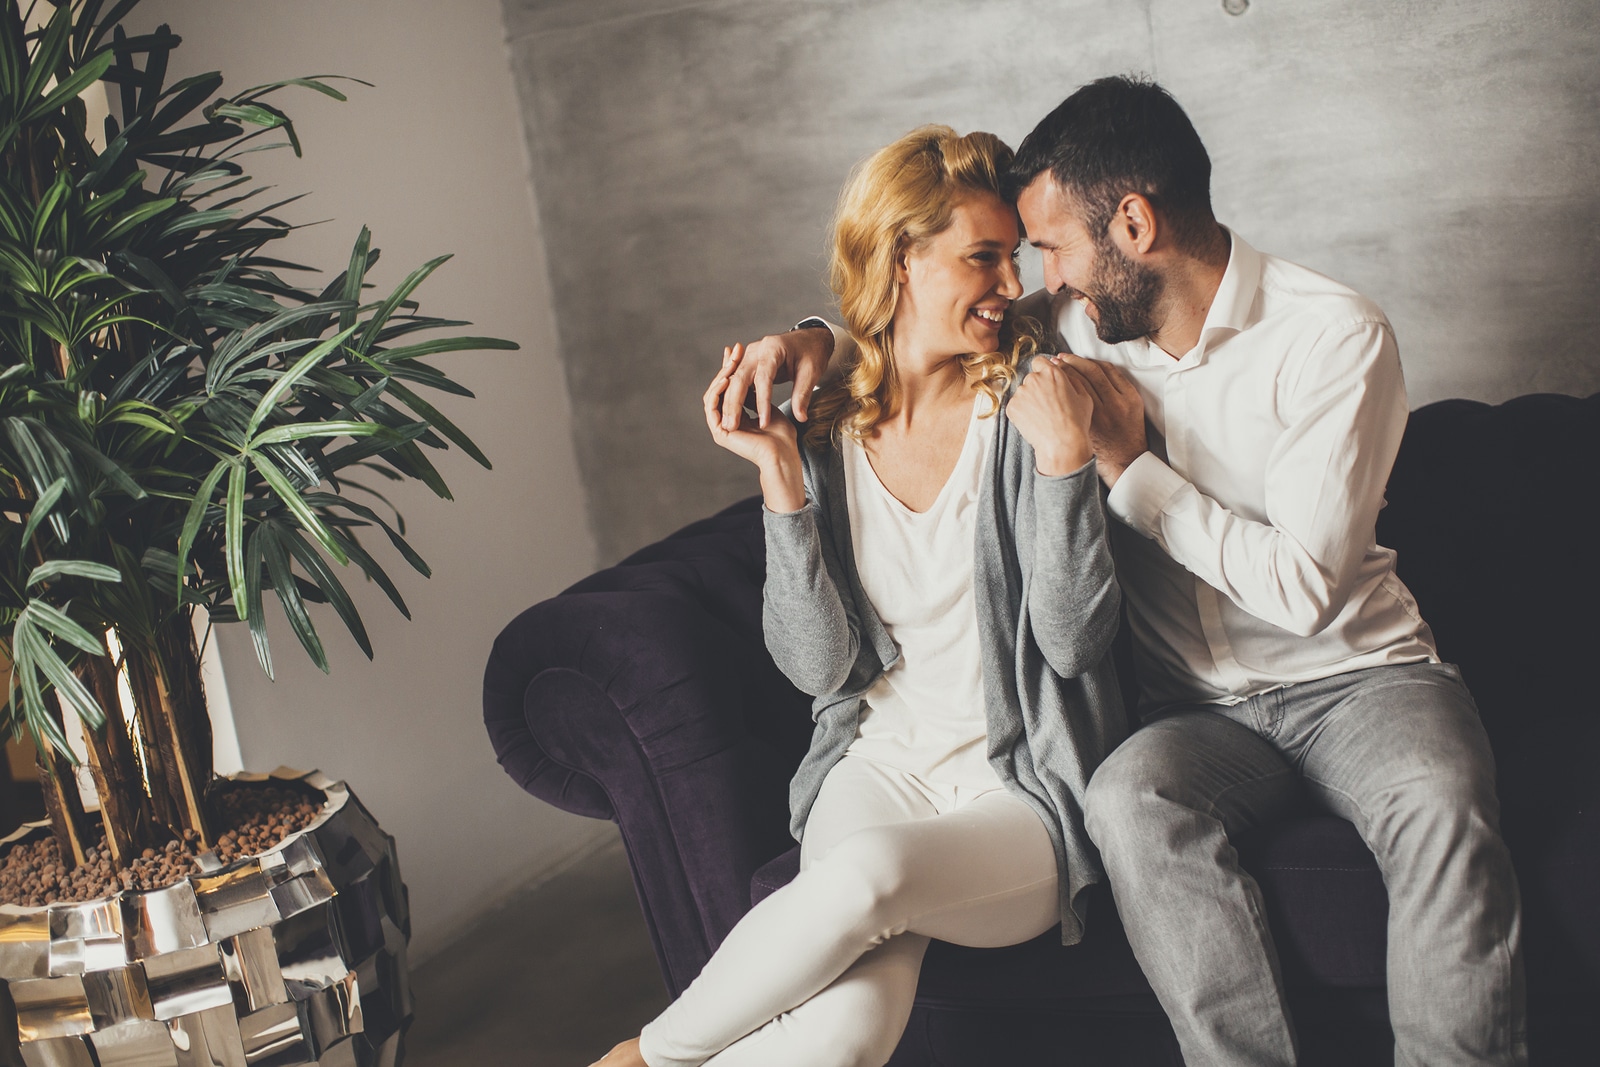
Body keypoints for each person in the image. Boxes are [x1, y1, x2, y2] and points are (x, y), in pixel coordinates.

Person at [730, 77, 1525, 1067]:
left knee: (1440, 800)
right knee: (1125, 801)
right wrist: (812, 336)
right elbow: (926, 320)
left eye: (1052, 248)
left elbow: (1306, 588)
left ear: (1135, 224)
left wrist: (1126, 468)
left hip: (1358, 674)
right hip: (1190, 709)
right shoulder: (1068, 323)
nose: (1041, 281)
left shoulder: (1332, 336)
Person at [593, 126, 1127, 1067]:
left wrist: (1065, 464)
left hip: (1019, 789)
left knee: (872, 876)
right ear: (902, 262)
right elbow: (820, 668)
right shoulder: (830, 422)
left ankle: (643, 1057)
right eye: (983, 257)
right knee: (845, 1037)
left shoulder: (1033, 385)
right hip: (877, 765)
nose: (1011, 281)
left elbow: (1076, 644)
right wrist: (781, 478)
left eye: (1012, 256)